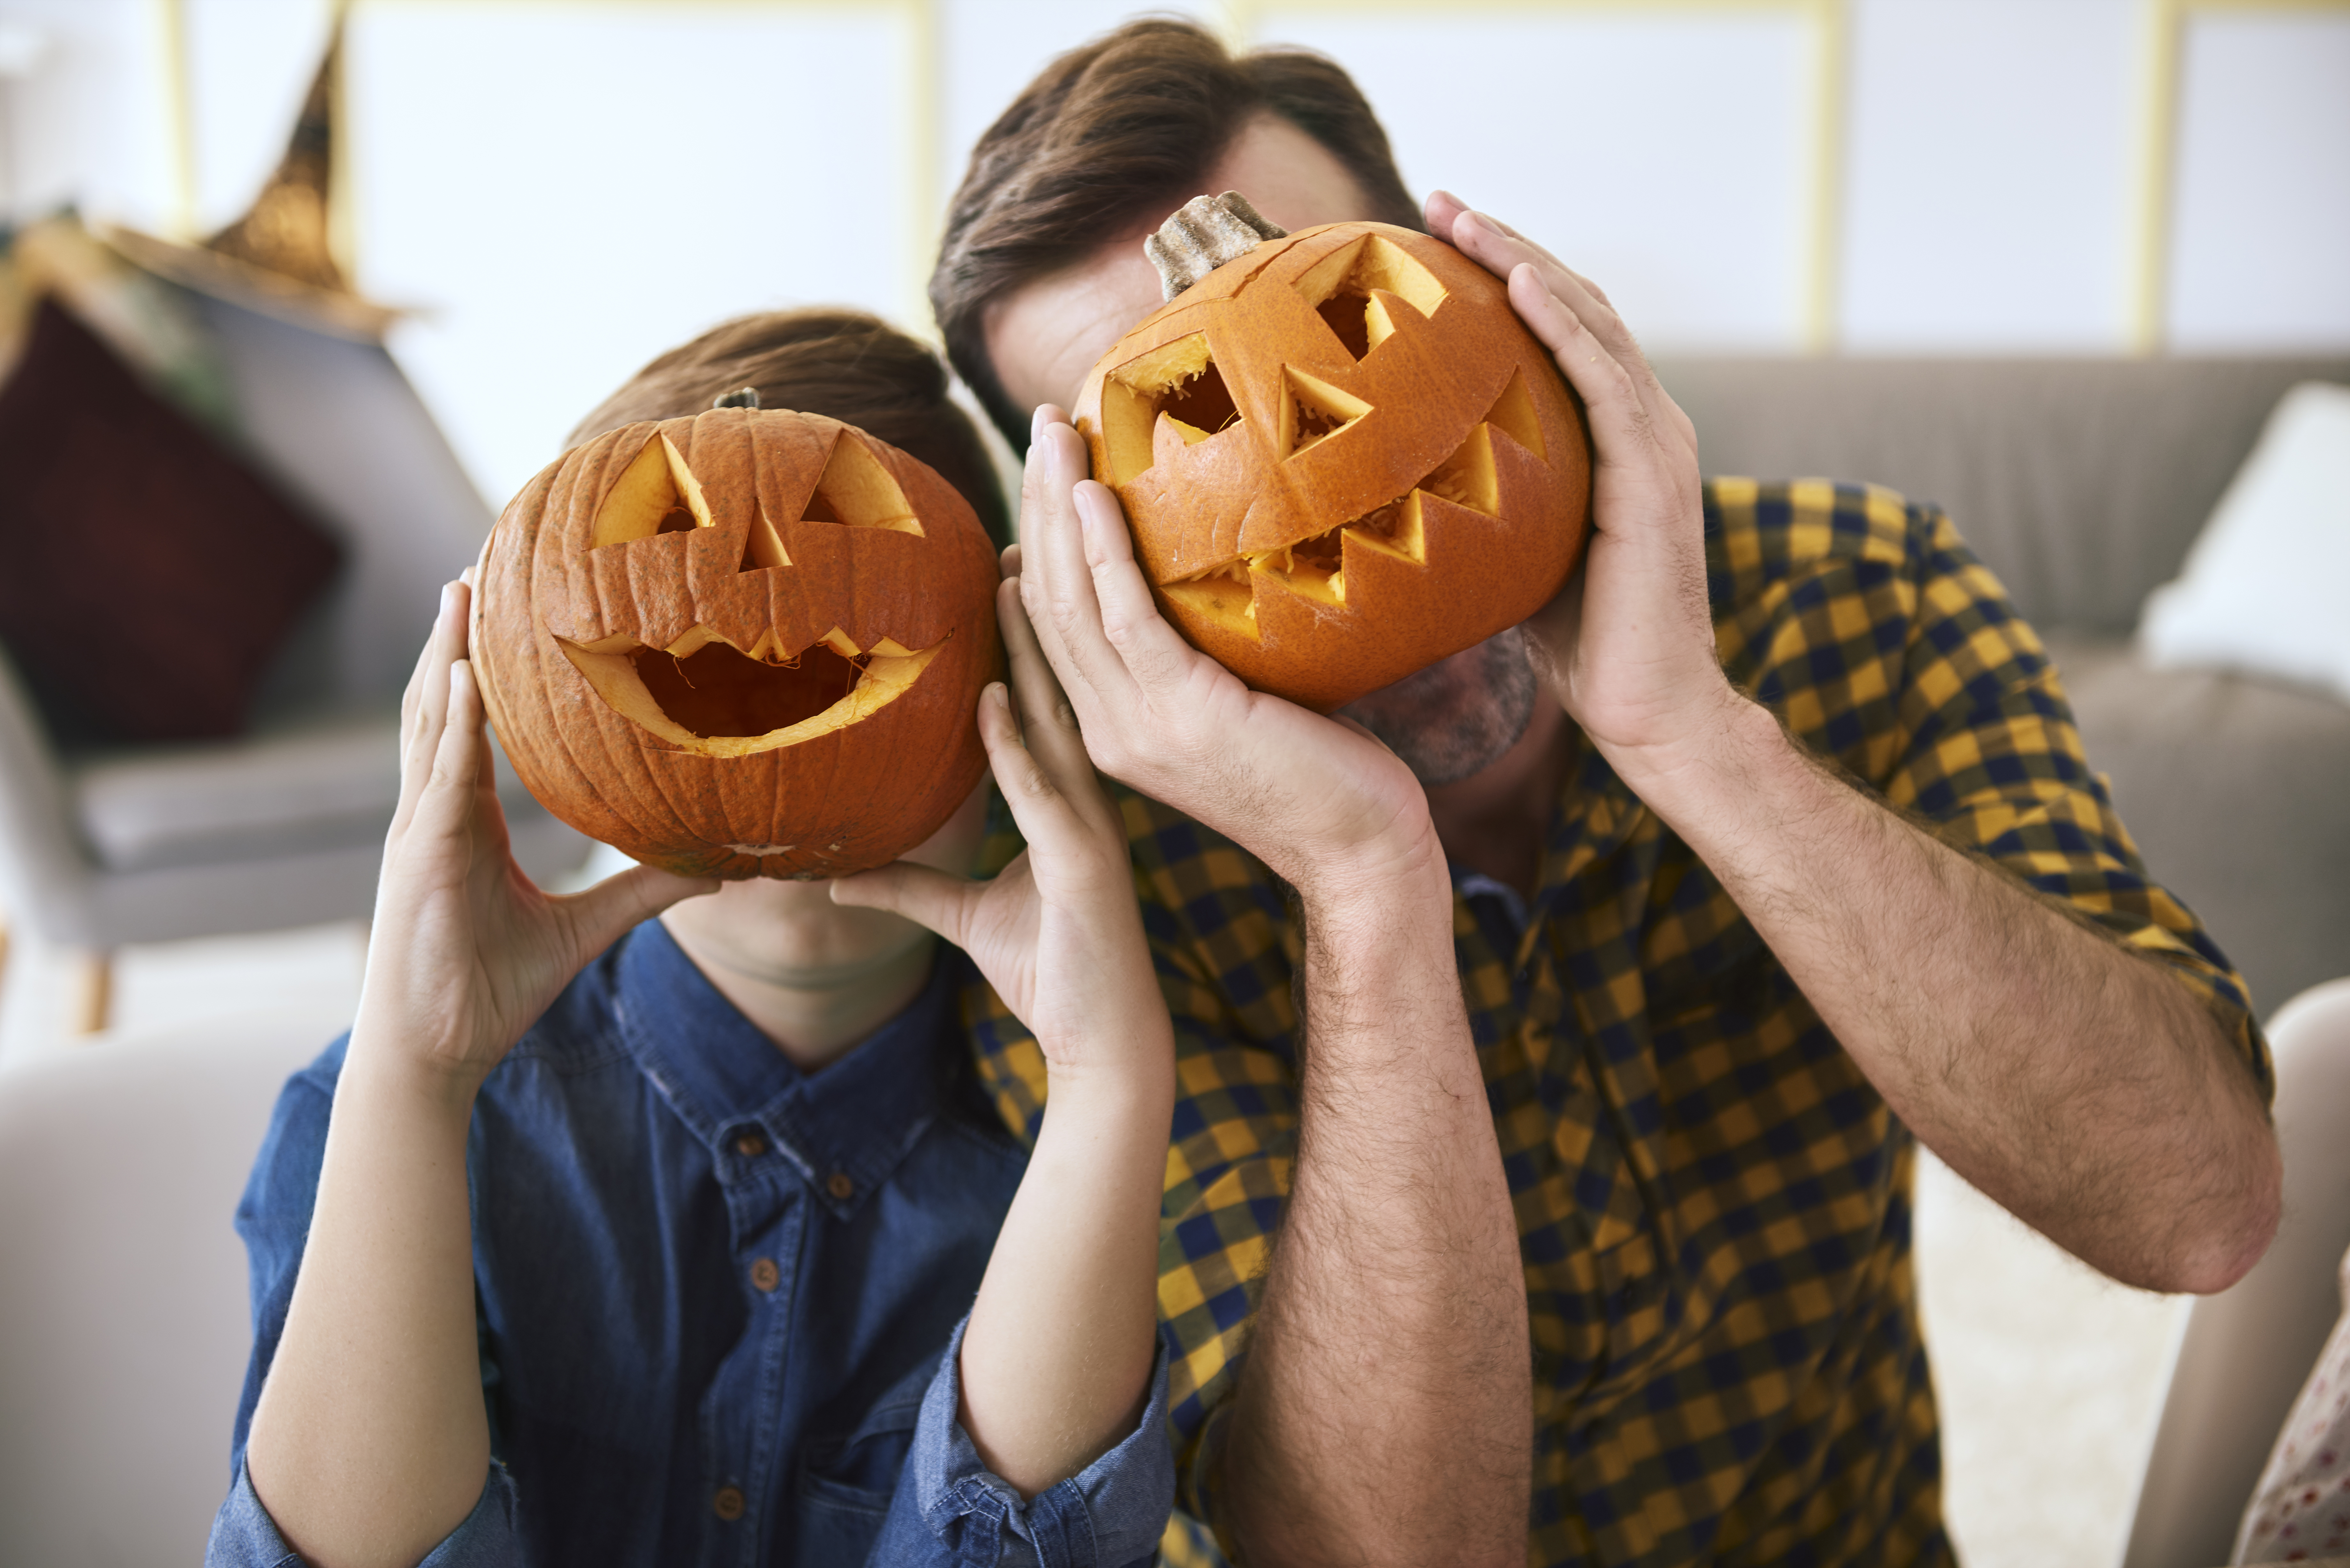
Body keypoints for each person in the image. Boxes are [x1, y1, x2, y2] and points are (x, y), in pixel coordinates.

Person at [930, 20, 2284, 1566]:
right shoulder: (1081, 883)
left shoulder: (1863, 594)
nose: (1330, 471)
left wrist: (1689, 733)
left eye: (1341, 317)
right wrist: (1364, 883)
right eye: (1186, 420)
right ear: (1085, 545)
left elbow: (2199, 1208)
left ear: (1478, 287)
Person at [206, 310, 1178, 1568]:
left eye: (858, 646)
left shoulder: (1103, 1139)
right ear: (524, 683)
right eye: (688, 631)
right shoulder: (374, 1108)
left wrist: (1107, 1088)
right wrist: (415, 1072)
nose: (792, 763)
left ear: (1019, 694)